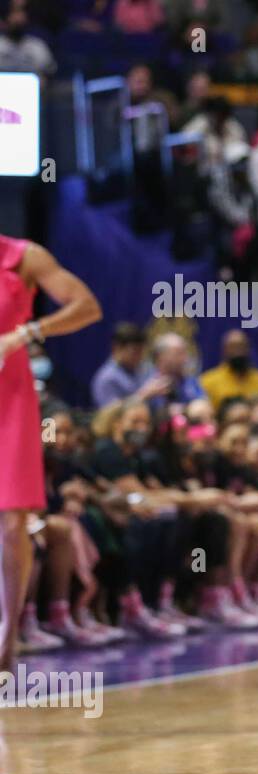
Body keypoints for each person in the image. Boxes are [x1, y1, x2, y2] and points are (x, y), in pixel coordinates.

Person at [0, 238, 103, 671]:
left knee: (10, 523)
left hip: (10, 395)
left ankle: (6, 640)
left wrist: (26, 332)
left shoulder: (23, 257)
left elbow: (87, 306)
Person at [200, 330, 258, 413]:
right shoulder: (208, 381)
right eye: (233, 347)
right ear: (224, 350)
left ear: (248, 349)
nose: (238, 351)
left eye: (241, 346)